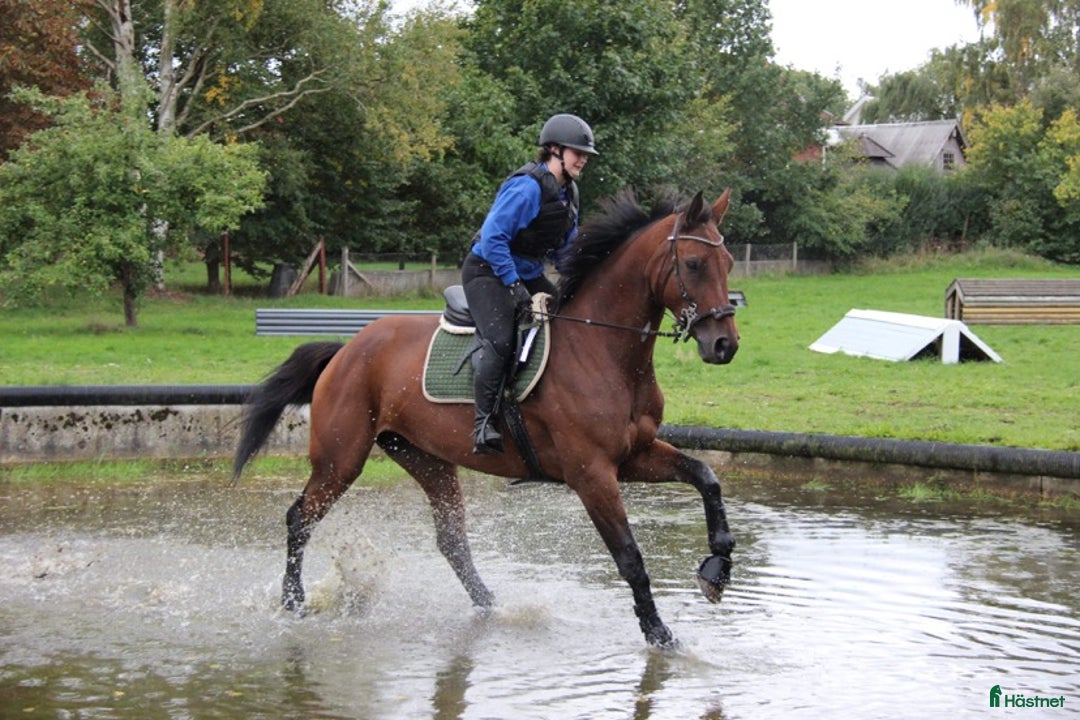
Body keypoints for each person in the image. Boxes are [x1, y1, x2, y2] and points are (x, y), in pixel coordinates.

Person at [462, 113, 598, 454]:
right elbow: (494, 238)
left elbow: (565, 250)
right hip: (487, 271)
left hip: (526, 272)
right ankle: (483, 425)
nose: (582, 158)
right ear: (553, 149)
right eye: (575, 151)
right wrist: (513, 285)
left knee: (569, 320)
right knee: (502, 338)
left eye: (584, 154)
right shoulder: (526, 188)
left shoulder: (570, 193)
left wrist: (585, 278)